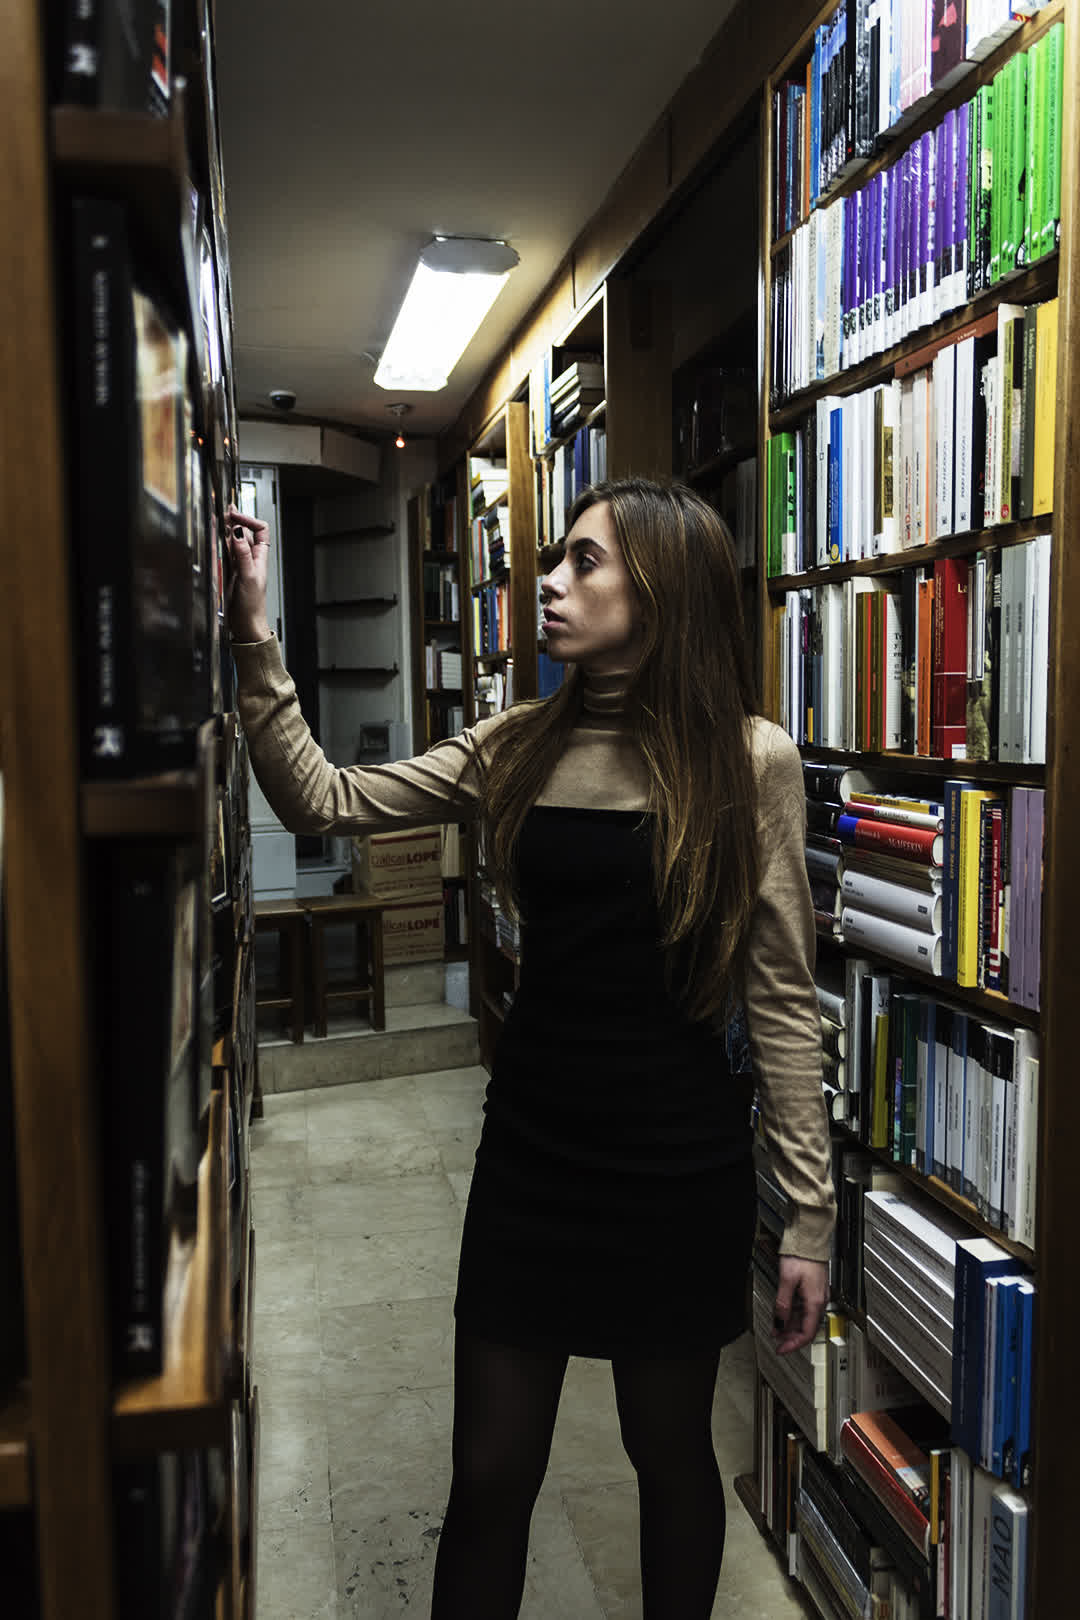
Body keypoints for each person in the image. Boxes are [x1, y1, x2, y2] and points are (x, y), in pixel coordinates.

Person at [227, 477, 835, 1620]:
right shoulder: (517, 742)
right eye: (554, 559)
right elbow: (321, 801)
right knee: (492, 1474)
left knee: (670, 1457)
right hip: (534, 1159)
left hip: (676, 1165)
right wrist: (254, 629)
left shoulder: (750, 762)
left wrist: (808, 1215)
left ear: (660, 591)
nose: (550, 582)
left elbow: (785, 1000)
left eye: (585, 563)